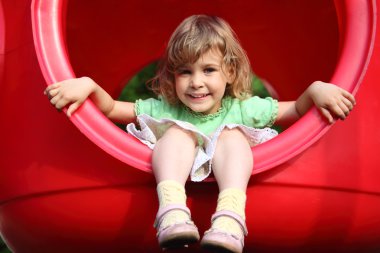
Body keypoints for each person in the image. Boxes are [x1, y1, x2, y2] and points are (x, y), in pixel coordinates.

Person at [44, 15, 355, 253]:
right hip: (175, 197)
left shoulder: (242, 108)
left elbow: (296, 112)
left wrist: (316, 89)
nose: (196, 82)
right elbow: (111, 108)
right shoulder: (164, 108)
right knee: (176, 133)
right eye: (185, 71)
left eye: (208, 70)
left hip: (231, 192)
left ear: (229, 73)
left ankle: (231, 216)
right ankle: (171, 212)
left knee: (232, 136)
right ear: (173, 75)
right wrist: (86, 84)